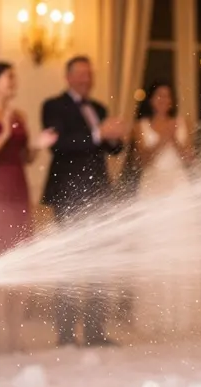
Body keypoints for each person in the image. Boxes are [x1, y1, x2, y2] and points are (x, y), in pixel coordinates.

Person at [40, 56, 126, 347]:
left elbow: (112, 149)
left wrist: (114, 136)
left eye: (90, 74)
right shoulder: (53, 106)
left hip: (99, 194)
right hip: (69, 195)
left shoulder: (99, 108)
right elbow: (59, 144)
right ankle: (65, 334)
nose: (86, 79)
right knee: (70, 263)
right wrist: (99, 133)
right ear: (68, 77)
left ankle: (95, 331)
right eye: (81, 74)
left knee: (99, 264)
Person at [0, 62, 57, 352]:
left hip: (18, 189)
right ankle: (0, 337)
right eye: (9, 77)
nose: (13, 82)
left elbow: (26, 158)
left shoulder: (20, 114)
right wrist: (4, 134)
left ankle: (16, 336)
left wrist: (38, 145)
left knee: (22, 260)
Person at [130, 81, 201, 338]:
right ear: (151, 100)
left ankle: (182, 315)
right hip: (152, 185)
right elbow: (141, 160)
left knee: (181, 244)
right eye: (159, 95)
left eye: (167, 96)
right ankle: (154, 315)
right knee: (154, 245)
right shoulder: (140, 126)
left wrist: (175, 139)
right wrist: (163, 138)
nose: (163, 100)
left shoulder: (183, 122)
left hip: (178, 186)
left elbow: (190, 158)